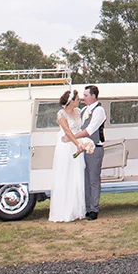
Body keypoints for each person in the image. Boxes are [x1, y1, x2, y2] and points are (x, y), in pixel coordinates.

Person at [48, 89, 90, 223]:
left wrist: (82, 142)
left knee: (76, 175)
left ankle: (76, 210)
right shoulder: (61, 114)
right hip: (66, 148)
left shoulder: (79, 112)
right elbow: (67, 130)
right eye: (77, 99)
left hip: (76, 145)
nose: (80, 101)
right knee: (65, 176)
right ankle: (63, 211)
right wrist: (77, 143)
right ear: (71, 101)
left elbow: (81, 128)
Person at [79, 84, 106, 220]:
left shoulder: (99, 110)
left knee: (93, 179)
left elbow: (90, 130)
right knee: (85, 179)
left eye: (85, 95)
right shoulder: (84, 110)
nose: (83, 98)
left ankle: (94, 209)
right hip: (83, 148)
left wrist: (72, 137)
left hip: (94, 148)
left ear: (93, 96)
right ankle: (87, 207)